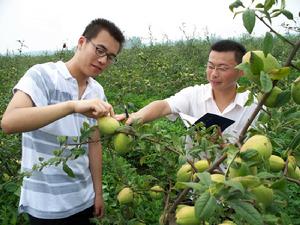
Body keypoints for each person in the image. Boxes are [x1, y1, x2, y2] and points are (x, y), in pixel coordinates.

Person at [1, 18, 125, 225]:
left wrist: (98, 192)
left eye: (111, 56)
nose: (104, 60)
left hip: (83, 199)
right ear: (81, 42)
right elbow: (9, 122)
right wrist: (72, 106)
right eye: (100, 50)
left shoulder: (97, 91)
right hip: (46, 206)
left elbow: (93, 143)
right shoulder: (42, 75)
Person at [117, 40, 258, 143]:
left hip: (238, 182)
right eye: (210, 66)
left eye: (222, 68)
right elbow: (163, 106)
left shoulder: (254, 106)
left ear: (241, 71)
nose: (214, 74)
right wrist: (137, 116)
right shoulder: (193, 95)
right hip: (196, 179)